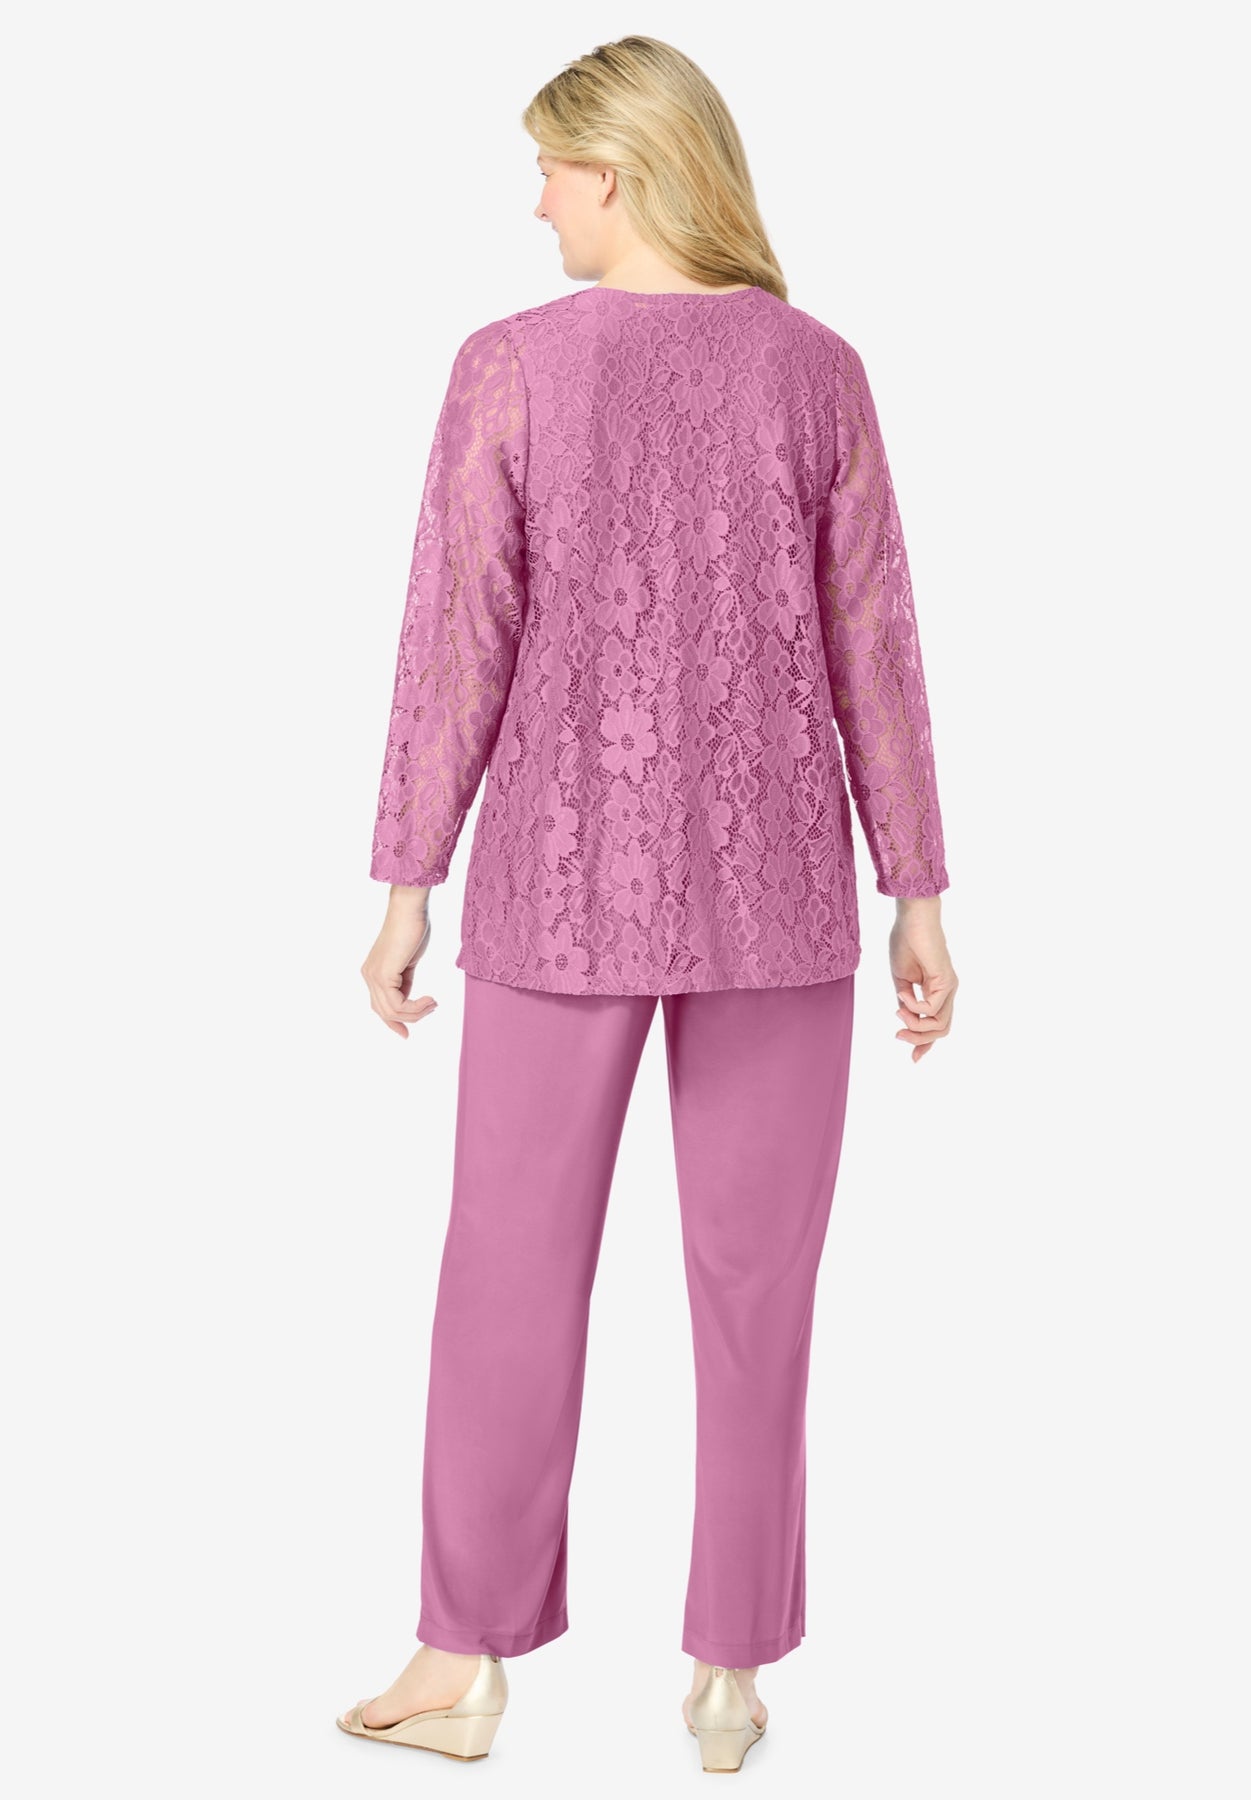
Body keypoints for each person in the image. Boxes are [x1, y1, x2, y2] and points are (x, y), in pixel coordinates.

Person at [342, 32, 958, 1773]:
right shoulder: (819, 371)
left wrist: (406, 880)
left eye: (549, 168)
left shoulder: (510, 369)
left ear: (617, 172)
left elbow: (453, 641)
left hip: (562, 883)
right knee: (761, 1287)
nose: (535, 202)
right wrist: (918, 891)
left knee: (506, 1264)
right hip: (784, 894)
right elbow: (879, 650)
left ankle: (459, 1661)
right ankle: (731, 1672)